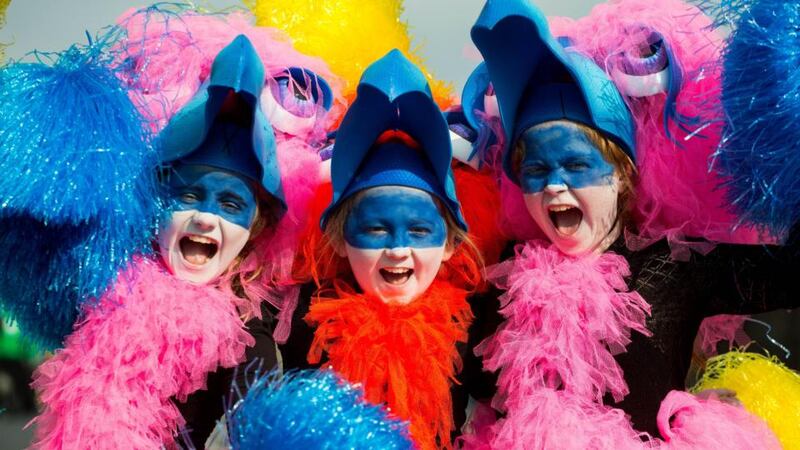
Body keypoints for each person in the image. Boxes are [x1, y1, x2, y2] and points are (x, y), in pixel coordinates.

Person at [460, 0, 798, 447]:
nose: (554, 186)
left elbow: (791, 272)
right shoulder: (500, 278)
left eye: (576, 165)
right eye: (536, 171)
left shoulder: (676, 265)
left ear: (622, 175)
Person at [28, 8, 338, 446]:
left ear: (257, 227)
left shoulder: (251, 346)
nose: (205, 217)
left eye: (231, 204)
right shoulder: (99, 289)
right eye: (188, 196)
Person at [281, 50, 484, 450]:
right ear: (339, 239)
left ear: (449, 243)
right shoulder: (300, 332)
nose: (397, 249)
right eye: (374, 228)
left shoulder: (477, 332)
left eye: (419, 230)